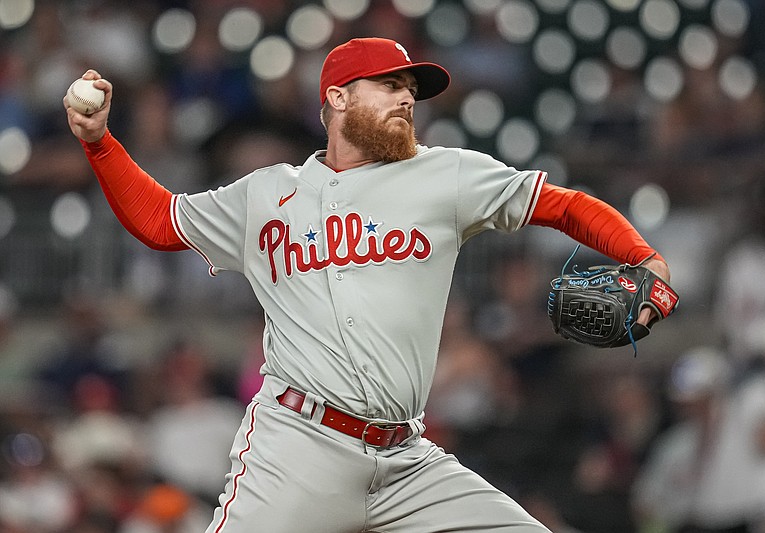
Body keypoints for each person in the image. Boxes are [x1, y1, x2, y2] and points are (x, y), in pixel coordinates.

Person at [64, 37, 670, 533]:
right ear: (338, 97)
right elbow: (160, 221)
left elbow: (561, 205)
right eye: (390, 86)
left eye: (412, 90)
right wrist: (99, 144)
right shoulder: (266, 193)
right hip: (297, 447)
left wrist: (646, 259)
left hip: (405, 458)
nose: (407, 100)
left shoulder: (445, 175)